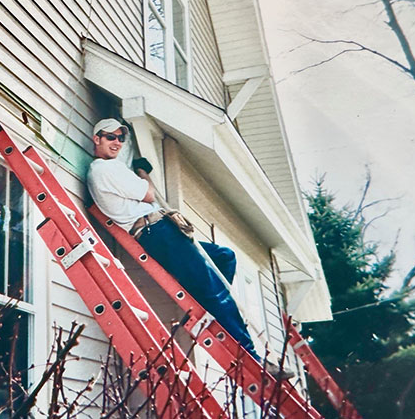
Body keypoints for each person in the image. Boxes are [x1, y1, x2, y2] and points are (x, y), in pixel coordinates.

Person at [87, 118, 275, 369]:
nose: (117, 142)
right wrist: (143, 173)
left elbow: (141, 197)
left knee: (224, 257)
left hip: (160, 229)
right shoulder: (104, 169)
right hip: (157, 231)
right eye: (111, 137)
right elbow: (149, 194)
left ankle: (210, 306)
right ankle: (251, 358)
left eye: (121, 138)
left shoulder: (112, 169)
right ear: (96, 138)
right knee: (216, 290)